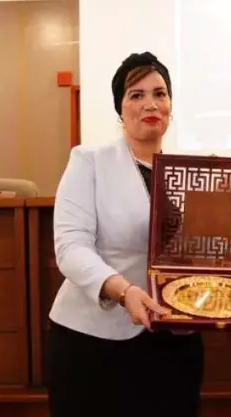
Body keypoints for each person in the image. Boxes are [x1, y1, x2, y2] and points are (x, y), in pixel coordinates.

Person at [45, 52, 204, 417]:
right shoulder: (90, 161)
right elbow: (71, 248)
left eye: (160, 93)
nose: (151, 104)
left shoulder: (190, 173)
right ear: (120, 108)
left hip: (173, 342)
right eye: (136, 94)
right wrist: (124, 291)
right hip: (95, 342)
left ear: (170, 105)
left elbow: (201, 253)